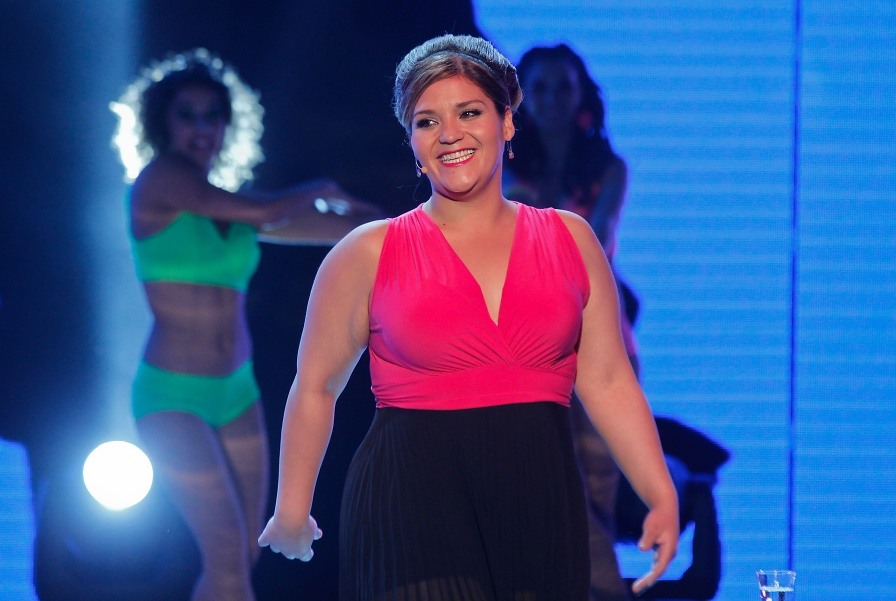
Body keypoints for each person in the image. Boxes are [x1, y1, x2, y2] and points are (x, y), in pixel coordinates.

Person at [258, 34, 679, 600]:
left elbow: (607, 380)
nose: (449, 133)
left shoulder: (571, 240)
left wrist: (659, 494)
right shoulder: (367, 252)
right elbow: (315, 386)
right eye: (427, 121)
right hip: (412, 509)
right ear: (412, 140)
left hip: (540, 502)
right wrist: (291, 508)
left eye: (469, 112)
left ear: (507, 122)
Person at [110, 48, 355, 601]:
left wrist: (414, 217)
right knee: (224, 551)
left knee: (242, 555)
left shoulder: (230, 208)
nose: (201, 128)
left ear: (228, 124)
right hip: (172, 397)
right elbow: (270, 212)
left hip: (237, 392)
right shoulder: (160, 182)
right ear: (162, 123)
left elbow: (339, 229)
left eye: (212, 115)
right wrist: (319, 187)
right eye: (187, 115)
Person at [504, 43, 636, 601]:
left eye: (563, 87)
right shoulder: (502, 163)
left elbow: (598, 243)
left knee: (599, 485)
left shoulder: (608, 168)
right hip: (531, 341)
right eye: (539, 88)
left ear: (581, 94)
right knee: (553, 481)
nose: (553, 99)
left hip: (600, 336)